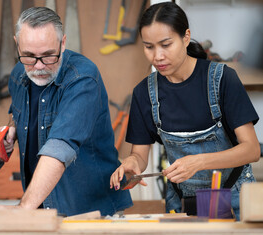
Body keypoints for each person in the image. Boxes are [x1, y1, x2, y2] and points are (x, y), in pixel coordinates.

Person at [110, 2, 260, 220]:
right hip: (182, 203)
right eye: (149, 46)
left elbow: (252, 150)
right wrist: (132, 164)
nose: (157, 56)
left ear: (186, 37)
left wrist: (198, 162)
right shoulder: (144, 93)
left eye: (166, 44)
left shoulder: (222, 79)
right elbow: (139, 155)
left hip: (235, 198)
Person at [0, 7, 132, 217]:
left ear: (63, 43)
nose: (38, 66)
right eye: (29, 56)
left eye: (48, 55)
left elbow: (60, 147)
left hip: (89, 212)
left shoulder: (82, 78)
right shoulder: (18, 75)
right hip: (40, 212)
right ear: (17, 44)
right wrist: (12, 129)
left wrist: (23, 208)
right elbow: (19, 112)